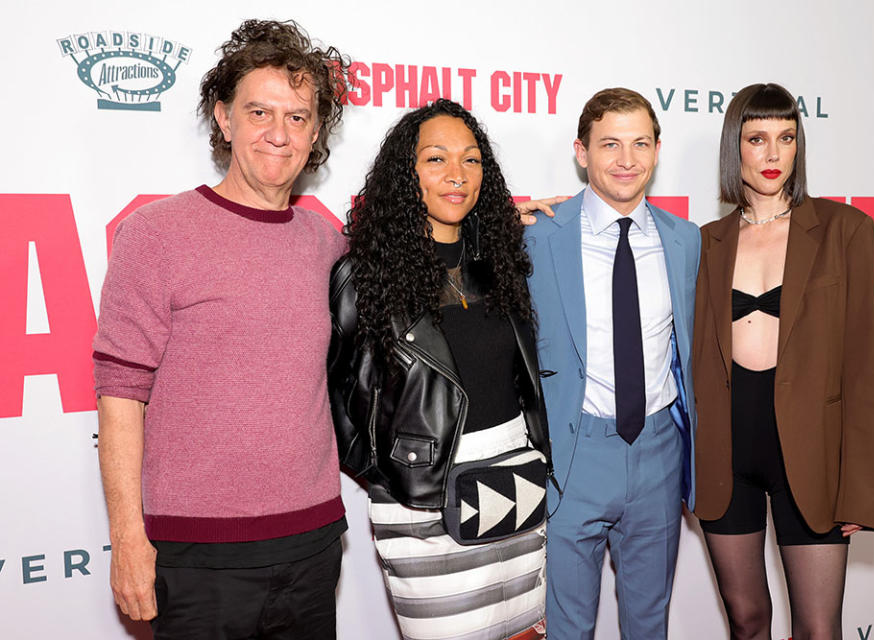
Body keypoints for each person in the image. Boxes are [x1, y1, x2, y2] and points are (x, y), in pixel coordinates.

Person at [93, 20, 350, 638]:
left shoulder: (328, 242)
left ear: (315, 132)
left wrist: (498, 219)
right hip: (196, 555)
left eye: (297, 116)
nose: (278, 134)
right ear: (224, 118)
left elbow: (417, 248)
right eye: (259, 111)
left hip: (313, 542)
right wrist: (128, 538)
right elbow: (120, 393)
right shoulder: (156, 233)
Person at [328, 99, 552, 640]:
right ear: (408, 174)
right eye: (436, 159)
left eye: (471, 160)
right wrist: (396, 477)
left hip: (516, 489)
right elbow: (339, 402)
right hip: (422, 504)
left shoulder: (500, 265)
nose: (456, 175)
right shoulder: (364, 277)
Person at [693, 82, 874, 639]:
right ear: (736, 148)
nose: (773, 154)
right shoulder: (705, 243)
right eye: (757, 139)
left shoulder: (843, 230)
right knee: (747, 621)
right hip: (727, 457)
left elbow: (864, 372)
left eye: (786, 137)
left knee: (819, 629)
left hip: (812, 456)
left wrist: (861, 487)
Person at [525, 88, 699, 639]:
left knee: (649, 625)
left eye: (640, 143)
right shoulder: (537, 236)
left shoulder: (685, 241)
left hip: (658, 456)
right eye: (610, 144)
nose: (627, 159)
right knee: (568, 628)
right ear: (582, 152)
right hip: (572, 457)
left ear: (657, 149)